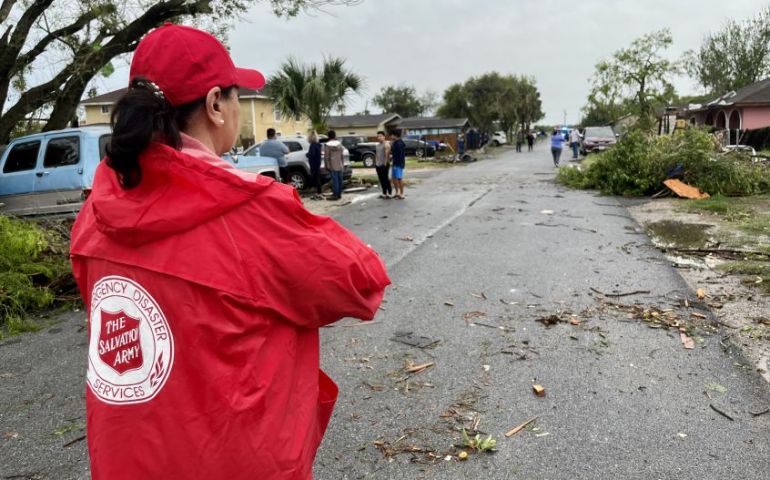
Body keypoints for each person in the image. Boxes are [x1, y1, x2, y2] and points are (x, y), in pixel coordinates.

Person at [69, 24, 390, 480]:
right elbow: (359, 281)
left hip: (128, 458)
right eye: (238, 96)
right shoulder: (250, 211)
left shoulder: (96, 210)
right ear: (216, 104)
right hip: (232, 459)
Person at [324, 130, 345, 200]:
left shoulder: (327, 145)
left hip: (332, 165)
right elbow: (342, 155)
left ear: (328, 136)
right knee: (340, 180)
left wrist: (327, 165)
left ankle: (335, 194)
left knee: (335, 180)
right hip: (340, 164)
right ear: (335, 136)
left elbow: (326, 156)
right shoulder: (339, 144)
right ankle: (339, 194)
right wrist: (343, 163)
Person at [374, 130, 392, 198]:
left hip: (384, 165)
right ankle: (384, 193)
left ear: (384, 136)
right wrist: (376, 163)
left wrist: (384, 164)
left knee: (385, 179)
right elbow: (377, 155)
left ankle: (389, 193)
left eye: (380, 136)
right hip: (378, 165)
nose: (379, 137)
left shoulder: (386, 144)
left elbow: (387, 156)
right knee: (381, 179)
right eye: (378, 136)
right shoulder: (377, 145)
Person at [390, 129, 407, 199]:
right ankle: (397, 192)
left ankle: (402, 194)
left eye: (392, 135)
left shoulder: (399, 144)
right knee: (394, 179)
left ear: (395, 135)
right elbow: (394, 153)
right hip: (395, 163)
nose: (391, 136)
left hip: (398, 164)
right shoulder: (395, 143)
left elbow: (400, 156)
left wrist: (397, 165)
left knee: (399, 179)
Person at [306, 132, 323, 199]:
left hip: (313, 164)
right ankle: (319, 192)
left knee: (315, 178)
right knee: (317, 177)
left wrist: (307, 155)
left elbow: (312, 155)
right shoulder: (318, 145)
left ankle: (317, 192)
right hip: (318, 163)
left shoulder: (312, 145)